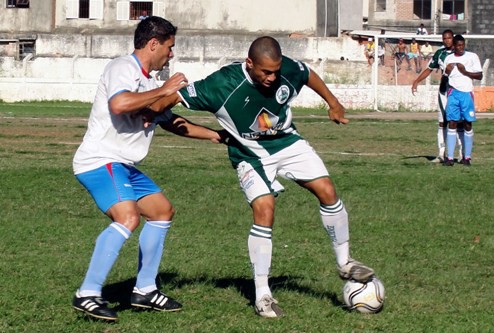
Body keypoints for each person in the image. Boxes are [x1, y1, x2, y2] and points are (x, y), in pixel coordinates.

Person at [148, 36, 375, 318]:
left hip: (287, 143)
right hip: (249, 155)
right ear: (249, 63)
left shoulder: (285, 70)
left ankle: (345, 263)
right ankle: (263, 294)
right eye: (265, 72)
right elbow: (175, 98)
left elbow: (306, 74)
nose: (272, 77)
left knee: (328, 191)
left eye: (275, 72)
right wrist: (152, 108)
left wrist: (333, 102)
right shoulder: (222, 84)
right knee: (265, 209)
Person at [71, 16, 223, 322]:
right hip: (101, 160)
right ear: (153, 44)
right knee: (128, 217)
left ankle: (145, 290)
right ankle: (87, 294)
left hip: (123, 165)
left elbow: (172, 122)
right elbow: (119, 104)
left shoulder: (151, 85)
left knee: (161, 211)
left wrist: (216, 135)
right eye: (169, 47)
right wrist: (164, 90)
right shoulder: (122, 68)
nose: (172, 54)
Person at [411, 30, 463, 163]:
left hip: (458, 91)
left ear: (453, 38)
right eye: (444, 38)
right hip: (444, 91)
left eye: (449, 38)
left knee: (459, 122)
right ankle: (441, 154)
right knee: (442, 122)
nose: (447, 40)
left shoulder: (462, 53)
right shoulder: (440, 53)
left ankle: (462, 154)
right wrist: (416, 81)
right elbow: (429, 69)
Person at [442, 34, 483, 166]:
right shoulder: (448, 58)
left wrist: (465, 72)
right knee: (452, 123)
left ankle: (467, 157)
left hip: (466, 94)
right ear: (453, 46)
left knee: (467, 124)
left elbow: (479, 75)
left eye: (462, 45)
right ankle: (449, 158)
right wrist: (446, 72)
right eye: (458, 45)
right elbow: (444, 78)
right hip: (453, 93)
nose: (461, 48)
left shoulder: (472, 56)